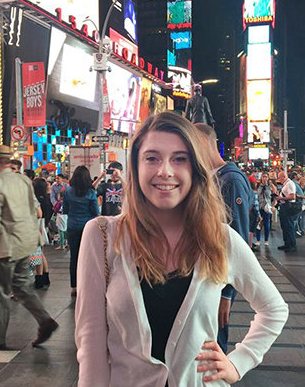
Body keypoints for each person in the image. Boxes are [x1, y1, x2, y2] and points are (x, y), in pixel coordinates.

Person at [75, 112, 288, 387]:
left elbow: (274, 308)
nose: (165, 171)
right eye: (152, 158)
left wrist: (239, 361)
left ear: (195, 169)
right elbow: (91, 339)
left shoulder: (219, 239)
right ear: (136, 167)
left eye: (179, 159)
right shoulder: (103, 235)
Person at [0, 145, 58, 349]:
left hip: (3, 247)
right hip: (26, 242)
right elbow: (33, 209)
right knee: (20, 285)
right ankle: (44, 319)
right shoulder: (22, 179)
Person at [194, 123, 253, 354]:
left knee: (214, 341)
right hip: (208, 273)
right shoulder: (213, 178)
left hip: (219, 279)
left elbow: (237, 239)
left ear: (204, 144)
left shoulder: (230, 180)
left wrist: (227, 292)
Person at [63, 166, 99, 296]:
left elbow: (65, 210)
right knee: (89, 257)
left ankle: (74, 286)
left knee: (74, 257)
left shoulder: (67, 192)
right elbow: (96, 212)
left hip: (72, 227)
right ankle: (87, 284)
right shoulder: (91, 193)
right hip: (88, 228)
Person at [33, 178, 53, 290]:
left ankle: (39, 278)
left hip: (38, 227)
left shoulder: (37, 200)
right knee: (41, 253)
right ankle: (45, 276)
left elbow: (39, 214)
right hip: (43, 226)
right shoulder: (46, 198)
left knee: (38, 254)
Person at [275, 171, 299, 253]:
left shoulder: (289, 184)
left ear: (283, 177)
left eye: (279, 177)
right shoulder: (286, 184)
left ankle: (292, 244)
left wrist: (280, 198)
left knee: (289, 226)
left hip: (287, 207)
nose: (279, 179)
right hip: (284, 207)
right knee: (284, 226)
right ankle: (287, 243)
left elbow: (292, 196)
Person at [257, 172, 276, 246]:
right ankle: (258, 240)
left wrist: (271, 184)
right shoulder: (258, 186)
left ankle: (266, 240)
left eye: (266, 177)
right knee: (258, 223)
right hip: (259, 206)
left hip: (267, 207)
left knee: (266, 224)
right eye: (263, 177)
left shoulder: (270, 186)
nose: (264, 178)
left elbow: (275, 192)